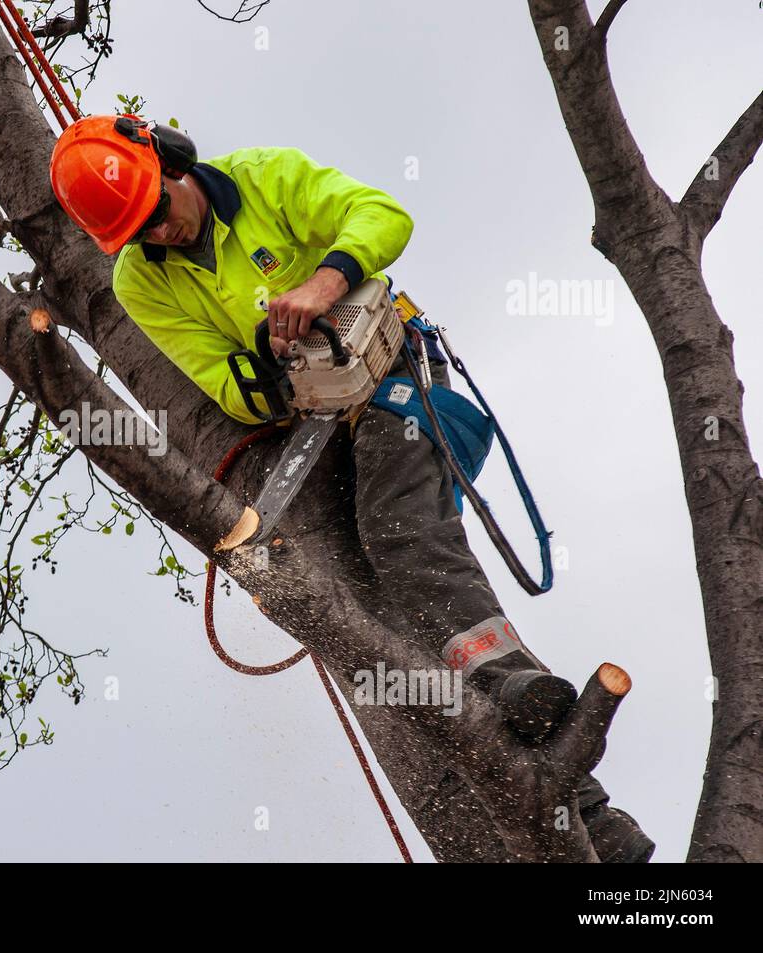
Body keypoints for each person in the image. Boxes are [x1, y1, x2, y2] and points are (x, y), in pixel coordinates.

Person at [49, 114, 654, 862]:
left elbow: (382, 214)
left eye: (158, 212)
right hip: (317, 417)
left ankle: (511, 678)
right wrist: (275, 367)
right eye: (137, 231)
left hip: (400, 371)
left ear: (169, 161)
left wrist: (325, 281)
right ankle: (591, 819)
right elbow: (224, 385)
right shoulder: (139, 280)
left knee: (401, 534)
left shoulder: (261, 176)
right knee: (393, 618)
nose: (159, 235)